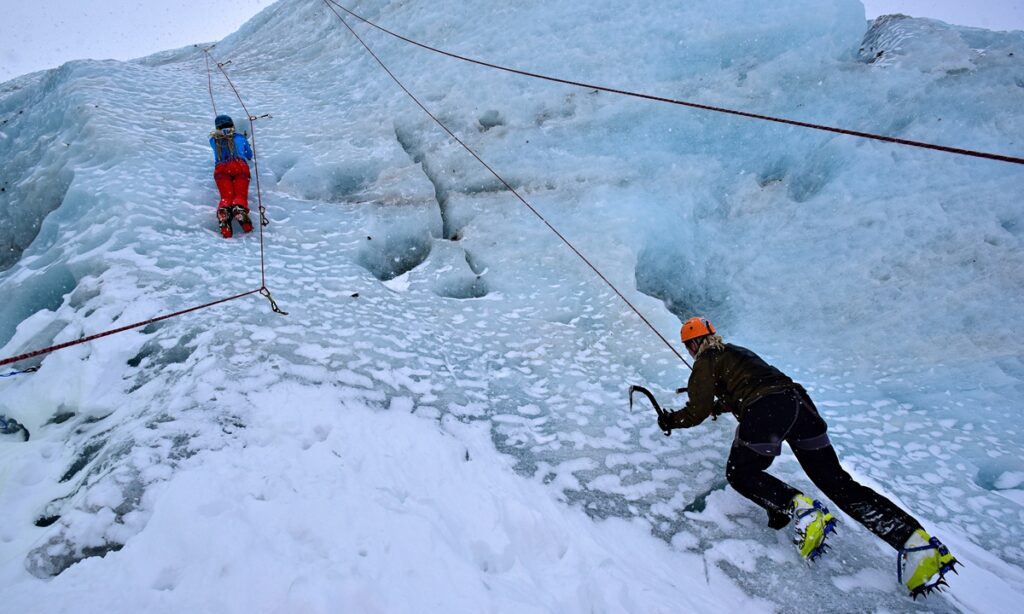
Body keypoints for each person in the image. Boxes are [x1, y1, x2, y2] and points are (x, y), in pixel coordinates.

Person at [658, 317, 958, 599]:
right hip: (799, 404)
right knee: (838, 482)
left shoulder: (706, 360)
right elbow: (749, 386)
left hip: (767, 410)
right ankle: (914, 541)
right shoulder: (737, 352)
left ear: (693, 345)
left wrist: (671, 420)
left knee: (741, 472)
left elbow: (697, 410)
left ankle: (800, 509)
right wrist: (722, 406)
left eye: (688, 347)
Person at [209, 114, 254, 238]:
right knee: (240, 194)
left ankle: (224, 212)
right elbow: (249, 154)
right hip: (239, 166)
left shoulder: (213, 140)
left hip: (221, 168)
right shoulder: (239, 137)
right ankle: (239, 209)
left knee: (226, 196)